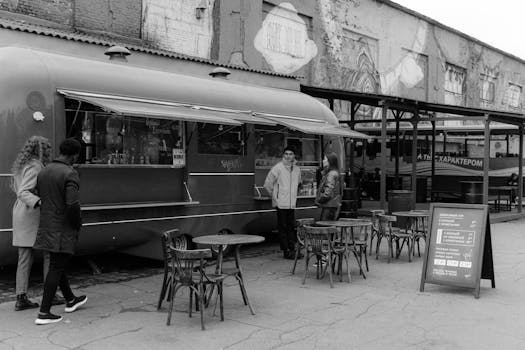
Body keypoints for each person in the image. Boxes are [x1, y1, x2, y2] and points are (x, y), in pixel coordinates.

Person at [33, 138, 87, 325]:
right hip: (62, 227)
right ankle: (44, 312)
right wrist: (77, 223)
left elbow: (39, 194)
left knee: (58, 262)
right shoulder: (70, 173)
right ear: (74, 155)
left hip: (46, 224)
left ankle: (70, 300)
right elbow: (72, 204)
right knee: (56, 266)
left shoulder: (44, 171)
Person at [11, 136, 52, 311]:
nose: (50, 152)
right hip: (32, 214)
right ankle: (51, 293)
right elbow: (24, 191)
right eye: (48, 149)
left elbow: (17, 190)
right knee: (49, 253)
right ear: (42, 150)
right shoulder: (35, 166)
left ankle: (21, 297)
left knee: (24, 258)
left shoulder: (21, 165)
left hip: (21, 212)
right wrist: (42, 202)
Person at [264, 146, 302, 260]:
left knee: (291, 227)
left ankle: (292, 249)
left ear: (294, 156)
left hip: (291, 203)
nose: (288, 156)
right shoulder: (278, 168)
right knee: (283, 228)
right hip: (281, 204)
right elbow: (267, 184)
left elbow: (299, 183)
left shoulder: (297, 170)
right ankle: (286, 251)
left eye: (290, 154)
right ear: (283, 155)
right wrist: (275, 196)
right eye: (286, 154)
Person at [315, 153, 342, 221]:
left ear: (330, 161)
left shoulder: (331, 174)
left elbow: (328, 191)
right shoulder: (333, 173)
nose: (323, 161)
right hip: (332, 204)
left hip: (329, 205)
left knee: (324, 227)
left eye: (325, 159)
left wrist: (319, 200)